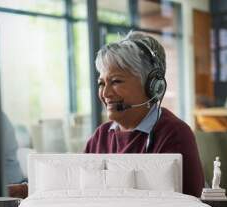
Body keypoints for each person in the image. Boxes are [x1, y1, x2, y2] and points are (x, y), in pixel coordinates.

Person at [84, 31, 204, 197]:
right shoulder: (100, 136)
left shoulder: (174, 134)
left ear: (152, 86)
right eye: (101, 83)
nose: (105, 93)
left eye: (116, 81)